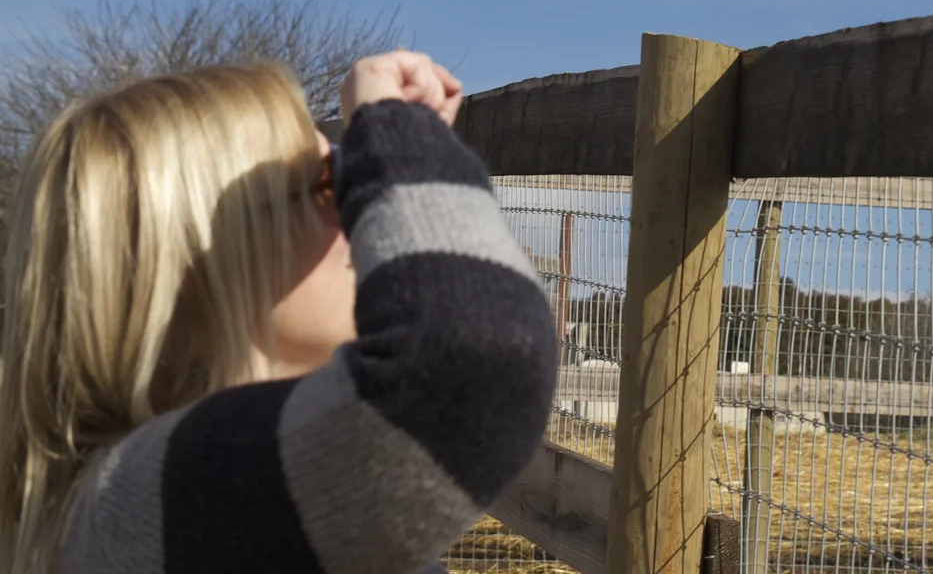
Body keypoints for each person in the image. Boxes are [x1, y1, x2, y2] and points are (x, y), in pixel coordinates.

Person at [0, 50, 557, 573]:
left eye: (356, 174)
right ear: (188, 266)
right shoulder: (134, 508)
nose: (364, 206)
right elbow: (471, 358)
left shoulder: (148, 498)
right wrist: (397, 136)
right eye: (326, 180)